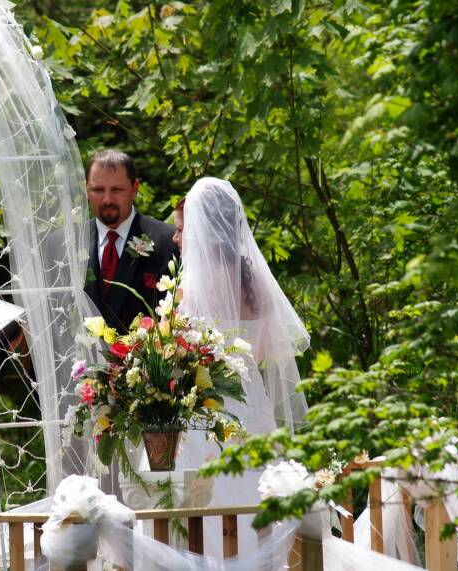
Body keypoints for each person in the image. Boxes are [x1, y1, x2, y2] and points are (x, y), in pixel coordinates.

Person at [174, 177, 310, 556]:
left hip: (208, 411)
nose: (178, 237)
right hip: (253, 404)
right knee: (258, 491)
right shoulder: (256, 281)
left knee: (206, 501)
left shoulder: (192, 286)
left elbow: (181, 354)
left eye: (183, 228)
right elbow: (263, 352)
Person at [84, 150, 179, 333]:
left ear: (135, 188)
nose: (107, 199)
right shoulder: (66, 245)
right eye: (98, 190)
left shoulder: (168, 241)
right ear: (86, 189)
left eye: (117, 190)